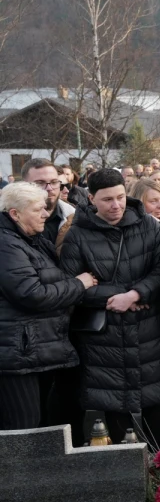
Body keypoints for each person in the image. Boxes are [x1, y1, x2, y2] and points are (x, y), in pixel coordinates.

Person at [59, 168, 160, 442]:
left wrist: (136, 295)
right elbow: (73, 285)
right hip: (105, 342)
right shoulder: (77, 235)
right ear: (91, 199)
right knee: (117, 425)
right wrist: (116, 300)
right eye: (107, 199)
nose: (116, 205)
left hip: (150, 334)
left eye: (120, 197)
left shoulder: (148, 225)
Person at [0, 182, 93, 430]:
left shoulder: (30, 239)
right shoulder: (6, 245)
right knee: (23, 430)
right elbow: (32, 294)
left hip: (33, 350)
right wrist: (79, 284)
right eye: (38, 210)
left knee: (40, 427)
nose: (45, 214)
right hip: (18, 357)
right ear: (15, 214)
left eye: (45, 208)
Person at [22, 159, 75, 247]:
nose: (49, 188)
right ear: (24, 185)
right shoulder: (10, 222)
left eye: (54, 182)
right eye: (40, 183)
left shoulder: (75, 218)